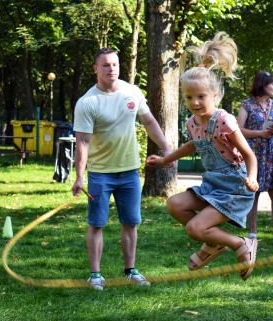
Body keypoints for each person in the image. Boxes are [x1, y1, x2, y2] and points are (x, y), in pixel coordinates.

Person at [146, 32, 259, 280]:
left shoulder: (223, 120)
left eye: (201, 97)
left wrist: (252, 179)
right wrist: (165, 159)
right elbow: (193, 146)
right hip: (213, 183)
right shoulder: (192, 123)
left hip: (234, 187)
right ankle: (214, 243)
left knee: (195, 227)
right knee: (175, 205)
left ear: (215, 96)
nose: (195, 102)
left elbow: (250, 155)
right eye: (189, 97)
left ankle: (241, 244)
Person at [72, 48, 170, 290]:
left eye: (115, 64)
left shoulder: (132, 92)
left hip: (129, 172)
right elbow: (82, 141)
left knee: (131, 222)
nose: (111, 69)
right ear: (96, 68)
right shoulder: (87, 102)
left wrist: (167, 147)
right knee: (97, 223)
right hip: (100, 173)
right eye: (105, 65)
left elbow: (148, 121)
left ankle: (130, 270)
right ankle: (95, 274)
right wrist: (79, 176)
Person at [237, 71, 273, 247]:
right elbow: (238, 130)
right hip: (255, 154)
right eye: (272, 84)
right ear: (262, 85)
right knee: (254, 192)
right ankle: (252, 233)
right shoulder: (247, 105)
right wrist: (260, 133)